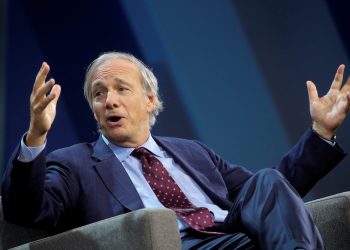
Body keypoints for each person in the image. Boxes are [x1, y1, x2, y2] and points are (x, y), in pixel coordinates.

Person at [2, 52, 350, 250]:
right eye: (98, 94)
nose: (109, 100)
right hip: (178, 246)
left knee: (267, 182)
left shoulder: (192, 152)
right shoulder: (74, 163)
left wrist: (320, 132)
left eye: (121, 88)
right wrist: (36, 135)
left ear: (149, 99)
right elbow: (26, 211)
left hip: (231, 237)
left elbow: (272, 197)